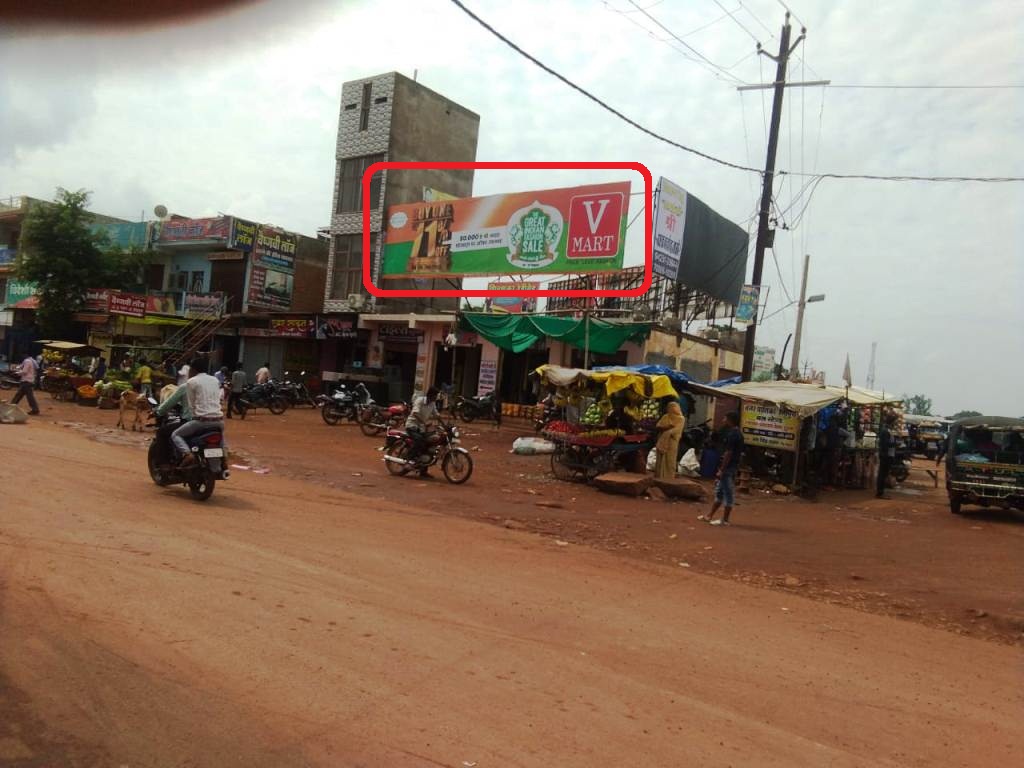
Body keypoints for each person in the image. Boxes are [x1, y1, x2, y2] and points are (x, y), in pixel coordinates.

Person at [170, 358, 225, 467]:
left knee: (175, 434)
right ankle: (225, 458)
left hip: (201, 422)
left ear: (193, 369)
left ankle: (187, 453)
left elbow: (192, 405)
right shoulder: (215, 380)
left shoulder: (191, 382)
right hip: (219, 421)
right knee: (221, 437)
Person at [700, 411, 744, 526]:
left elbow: (729, 453)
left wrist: (722, 470)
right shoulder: (736, 433)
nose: (723, 420)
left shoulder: (733, 435)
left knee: (727, 493)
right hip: (729, 466)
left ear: (730, 420)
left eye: (725, 418)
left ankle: (725, 520)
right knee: (720, 492)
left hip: (728, 467)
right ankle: (709, 515)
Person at [404, 386, 441, 474]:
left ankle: (423, 470)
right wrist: (424, 423)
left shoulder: (432, 403)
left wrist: (445, 425)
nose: (437, 397)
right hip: (412, 426)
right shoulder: (420, 400)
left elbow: (437, 415)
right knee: (419, 440)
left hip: (422, 429)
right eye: (436, 395)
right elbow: (415, 413)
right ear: (431, 395)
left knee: (430, 443)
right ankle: (408, 460)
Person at [653, 401, 684, 480]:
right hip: (662, 439)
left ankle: (669, 478)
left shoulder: (681, 419)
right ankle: (659, 477)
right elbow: (658, 426)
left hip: (672, 442)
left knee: (670, 460)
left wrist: (668, 432)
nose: (673, 408)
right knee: (660, 460)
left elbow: (677, 430)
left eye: (675, 406)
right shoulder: (665, 416)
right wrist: (667, 427)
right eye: (671, 406)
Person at [876, 414, 896, 499]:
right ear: (891, 422)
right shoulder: (885, 431)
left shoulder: (888, 430)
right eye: (894, 422)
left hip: (887, 455)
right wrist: (895, 444)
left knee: (883, 474)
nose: (894, 424)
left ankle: (881, 492)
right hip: (885, 455)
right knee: (882, 474)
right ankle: (880, 493)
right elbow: (885, 445)